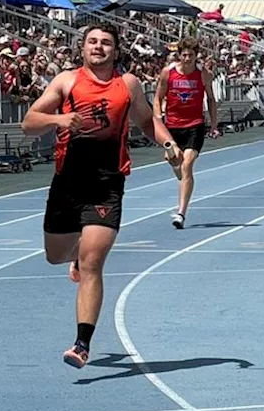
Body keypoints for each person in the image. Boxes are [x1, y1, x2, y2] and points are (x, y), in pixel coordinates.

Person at [22, 24, 182, 369]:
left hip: (107, 183)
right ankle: (76, 257)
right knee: (55, 255)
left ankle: (82, 344)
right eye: (92, 42)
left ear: (116, 50)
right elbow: (29, 122)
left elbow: (146, 120)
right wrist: (60, 118)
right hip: (67, 182)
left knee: (94, 264)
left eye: (106, 43)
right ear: (82, 49)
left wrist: (169, 143)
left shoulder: (129, 85)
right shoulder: (66, 81)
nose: (98, 47)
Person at [153, 37, 220, 229]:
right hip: (172, 125)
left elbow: (212, 100)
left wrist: (214, 125)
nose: (187, 59)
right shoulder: (168, 73)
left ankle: (181, 212)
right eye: (184, 55)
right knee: (176, 162)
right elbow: (158, 97)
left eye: (191, 55)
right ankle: (181, 175)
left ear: (196, 56)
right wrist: (158, 119)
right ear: (179, 55)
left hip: (194, 124)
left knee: (187, 165)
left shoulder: (204, 74)